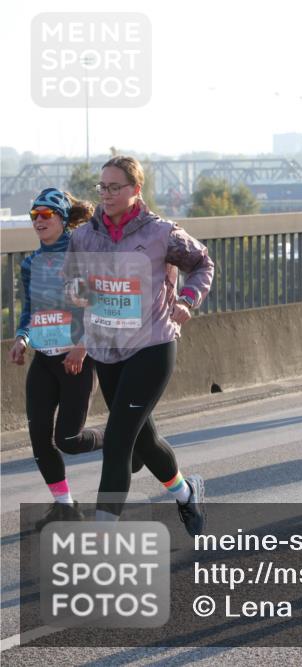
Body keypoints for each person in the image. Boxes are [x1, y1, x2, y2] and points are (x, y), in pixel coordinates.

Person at [63, 155, 214, 534]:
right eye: (102, 187)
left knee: (116, 441)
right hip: (107, 349)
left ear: (136, 190)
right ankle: (186, 493)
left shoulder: (160, 233)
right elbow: (71, 281)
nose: (106, 194)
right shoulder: (84, 237)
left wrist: (187, 299)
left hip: (153, 344)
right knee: (143, 440)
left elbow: (202, 263)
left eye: (115, 187)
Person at [9, 188, 104, 529]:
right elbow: (30, 312)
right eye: (34, 215)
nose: (38, 221)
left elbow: (97, 307)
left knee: (69, 440)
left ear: (63, 220)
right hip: (44, 360)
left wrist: (82, 346)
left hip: (76, 358)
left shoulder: (79, 255)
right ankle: (65, 504)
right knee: (39, 441)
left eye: (46, 215)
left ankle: (122, 437)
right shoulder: (31, 263)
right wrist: (22, 338)